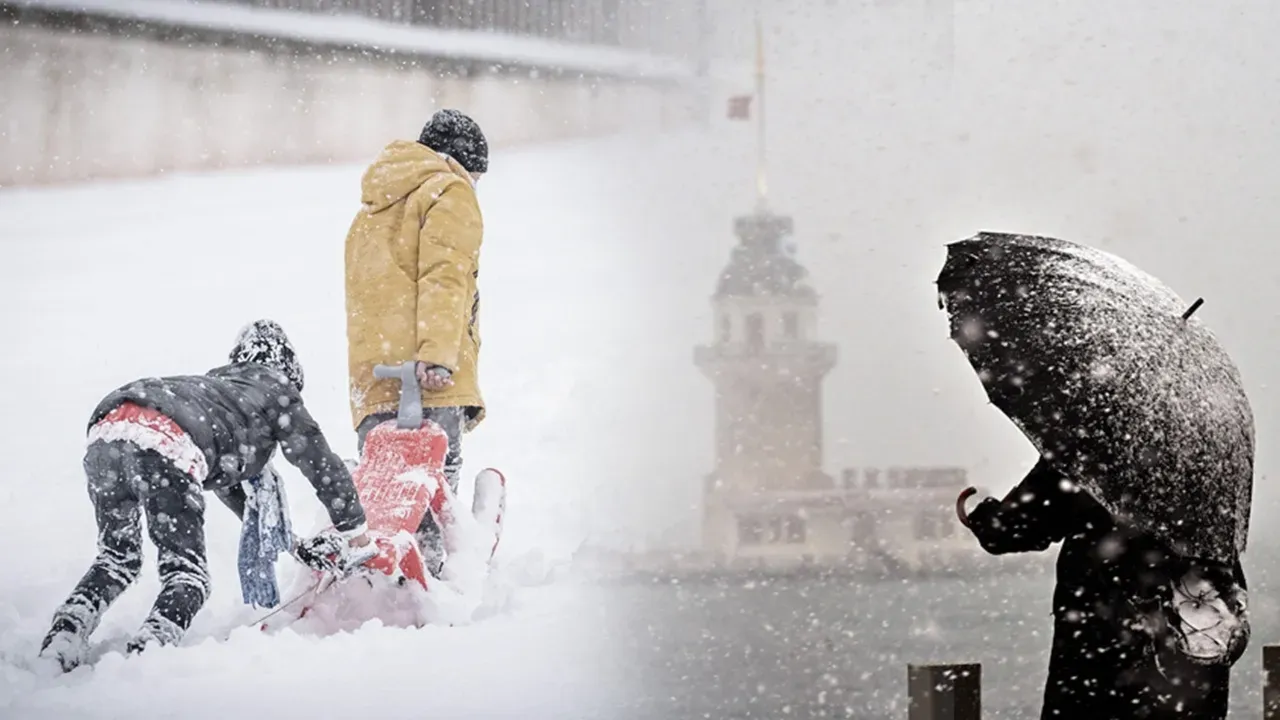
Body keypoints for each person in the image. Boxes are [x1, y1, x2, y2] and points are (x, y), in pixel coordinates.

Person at [39, 320, 370, 672]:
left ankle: (65, 635)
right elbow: (321, 464)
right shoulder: (275, 390)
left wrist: (295, 544)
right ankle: (147, 653)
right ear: (288, 370)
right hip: (165, 440)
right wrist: (357, 534)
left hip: (108, 429)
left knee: (116, 559)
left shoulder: (218, 395)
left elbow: (235, 493)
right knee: (187, 576)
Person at [958, 457, 1249, 719]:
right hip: (1189, 675)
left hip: (1100, 656)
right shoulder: (1210, 467)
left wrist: (983, 517)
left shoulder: (1089, 447)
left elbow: (1013, 528)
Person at [344, 108, 488, 575]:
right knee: (434, 479)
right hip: (427, 370)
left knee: (387, 490)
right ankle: (436, 572)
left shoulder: (373, 205)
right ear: (462, 162)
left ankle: (385, 573)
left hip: (373, 374)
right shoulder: (450, 190)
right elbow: (445, 278)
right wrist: (437, 356)